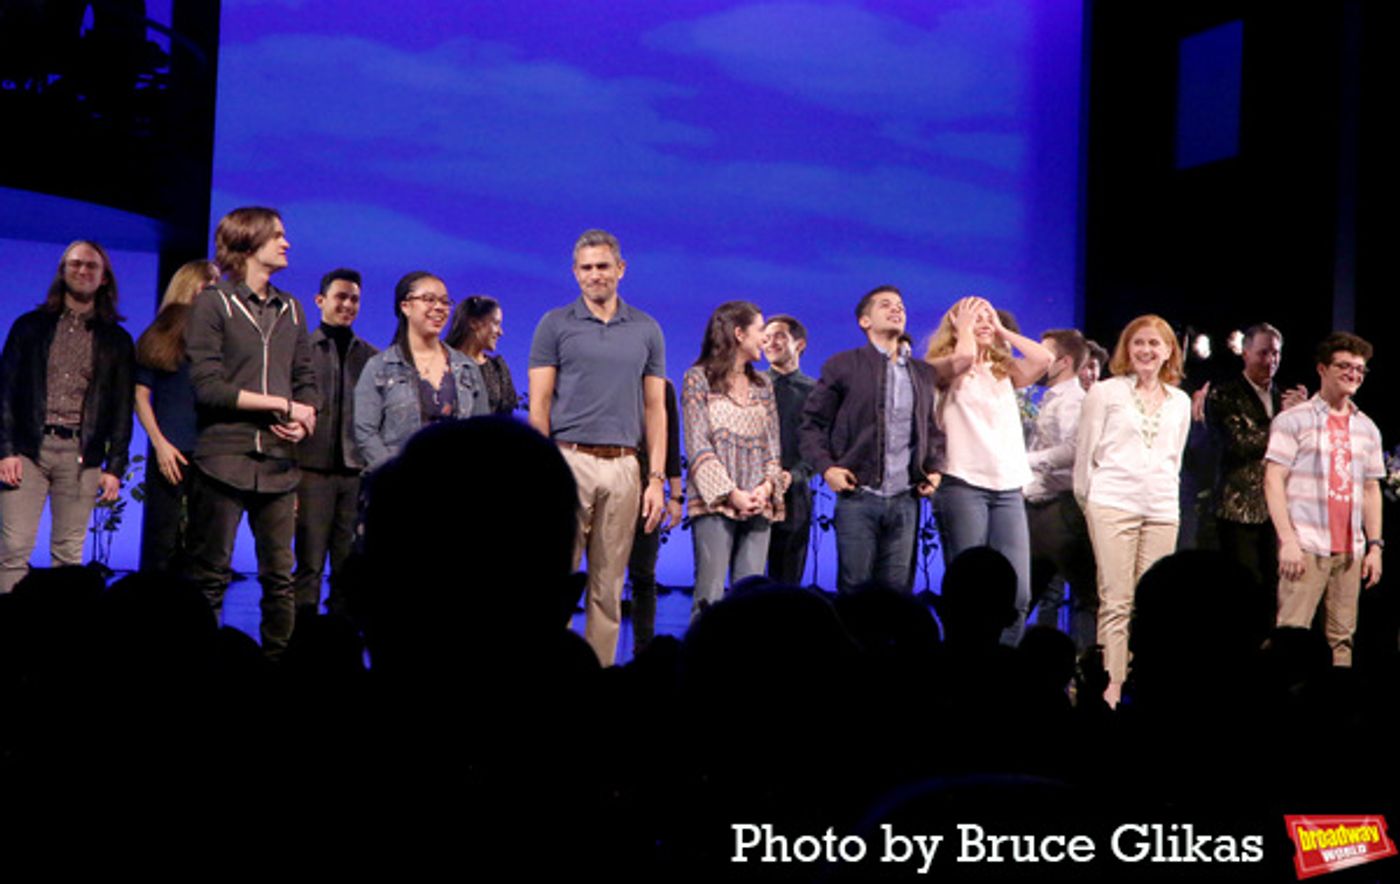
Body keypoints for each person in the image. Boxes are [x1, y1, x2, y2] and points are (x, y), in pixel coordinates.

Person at [184, 207, 319, 659]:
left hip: (278, 461)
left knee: (280, 577)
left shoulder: (291, 308)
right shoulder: (214, 303)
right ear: (248, 241)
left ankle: (278, 664)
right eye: (277, 235)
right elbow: (208, 387)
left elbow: (306, 378)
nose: (286, 243)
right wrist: (282, 405)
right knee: (211, 574)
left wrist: (305, 417)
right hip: (224, 457)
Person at [528, 229, 667, 666]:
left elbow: (655, 408)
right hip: (568, 461)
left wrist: (656, 478)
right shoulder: (555, 324)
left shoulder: (646, 329)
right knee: (556, 580)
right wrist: (543, 469)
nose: (595, 275)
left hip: (624, 465)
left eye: (603, 266)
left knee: (608, 587)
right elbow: (539, 405)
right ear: (575, 273)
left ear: (620, 269)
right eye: (586, 268)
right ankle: (550, 672)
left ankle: (599, 677)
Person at [0, 240, 135, 592]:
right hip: (28, 450)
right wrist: (6, 449)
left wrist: (115, 467)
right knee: (13, 549)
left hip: (81, 455)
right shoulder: (29, 327)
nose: (82, 270)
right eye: (75, 264)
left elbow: (122, 407)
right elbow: (6, 391)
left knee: (68, 554)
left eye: (91, 266)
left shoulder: (116, 340)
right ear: (62, 272)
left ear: (104, 278)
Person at [1073, 314, 1191, 704]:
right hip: (1112, 503)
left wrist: (1166, 500)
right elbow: (1085, 456)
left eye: (1154, 343)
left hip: (1161, 510)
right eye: (1138, 342)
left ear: (1169, 351)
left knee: (1155, 604)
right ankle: (1110, 692)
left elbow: (1174, 459)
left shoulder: (1180, 401)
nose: (1146, 350)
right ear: (1127, 348)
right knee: (1117, 601)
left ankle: (1148, 691)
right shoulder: (1105, 393)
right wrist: (1091, 504)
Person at [926, 296, 1053, 644]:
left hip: (1007, 487)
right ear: (955, 325)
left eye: (988, 316)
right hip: (962, 484)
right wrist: (966, 330)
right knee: (969, 590)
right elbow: (964, 358)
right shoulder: (942, 368)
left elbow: (1044, 359)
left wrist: (1001, 331)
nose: (983, 322)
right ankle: (966, 661)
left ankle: (1004, 662)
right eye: (974, 317)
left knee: (1019, 592)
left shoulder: (1004, 370)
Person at [800, 286, 942, 594]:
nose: (897, 309)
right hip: (858, 496)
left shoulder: (922, 373)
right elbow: (811, 425)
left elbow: (932, 428)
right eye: (886, 305)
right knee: (855, 592)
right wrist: (827, 469)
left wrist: (934, 469)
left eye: (900, 305)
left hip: (906, 499)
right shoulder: (842, 365)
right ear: (865, 321)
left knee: (897, 595)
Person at [1265, 331, 1384, 667]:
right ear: (1322, 369)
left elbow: (1371, 489)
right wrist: (1288, 540)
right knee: (1291, 634)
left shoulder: (1367, 428)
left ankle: (1338, 698)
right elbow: (1273, 480)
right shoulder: (1294, 420)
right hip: (1306, 544)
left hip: (1349, 550)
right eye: (1344, 366)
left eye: (1359, 369)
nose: (1353, 374)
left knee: (1342, 639)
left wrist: (1375, 546)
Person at [683, 301, 787, 618]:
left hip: (758, 502)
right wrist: (731, 494)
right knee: (710, 596)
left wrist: (766, 488)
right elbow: (698, 444)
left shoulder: (763, 385)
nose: (765, 338)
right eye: (760, 330)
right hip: (716, 502)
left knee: (752, 600)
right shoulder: (698, 379)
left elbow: (773, 447)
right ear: (739, 334)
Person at [293, 268, 377, 618]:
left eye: (354, 299)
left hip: (353, 472)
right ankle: (304, 632)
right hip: (310, 470)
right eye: (341, 297)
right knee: (309, 562)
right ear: (320, 300)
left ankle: (343, 635)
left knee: (347, 562)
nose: (348, 305)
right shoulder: (301, 352)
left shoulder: (370, 357)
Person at [1204, 323, 1307, 590]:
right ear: (1246, 353)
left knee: (1276, 587)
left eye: (1275, 353)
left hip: (1278, 509)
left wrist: (1304, 417)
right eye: (1263, 353)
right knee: (1243, 586)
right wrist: (1285, 419)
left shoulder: (1283, 395)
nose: (1270, 360)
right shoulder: (1223, 395)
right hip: (1239, 509)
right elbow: (1240, 443)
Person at [133, 259, 221, 573]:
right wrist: (159, 444)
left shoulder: (219, 337)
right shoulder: (160, 334)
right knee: (161, 537)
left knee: (204, 541)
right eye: (207, 285)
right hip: (169, 449)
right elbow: (140, 396)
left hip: (209, 450)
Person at [354, 272, 485, 473]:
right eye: (429, 299)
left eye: (445, 301)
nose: (439, 307)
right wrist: (396, 473)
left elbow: (482, 432)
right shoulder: (380, 367)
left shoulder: (467, 368)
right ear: (405, 306)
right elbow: (365, 432)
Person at [1024, 328, 1097, 650]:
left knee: (1086, 597)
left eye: (1045, 355)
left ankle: (1089, 664)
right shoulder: (1053, 397)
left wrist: (1026, 461)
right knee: (1025, 595)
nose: (1037, 360)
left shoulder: (1072, 401)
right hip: (1040, 509)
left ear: (1064, 362)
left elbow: (1073, 449)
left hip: (1061, 510)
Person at [624, 378, 681, 655]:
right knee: (605, 575)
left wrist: (676, 496)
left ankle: (643, 649)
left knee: (644, 575)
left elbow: (671, 442)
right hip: (615, 481)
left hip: (649, 487)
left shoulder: (662, 386)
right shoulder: (611, 380)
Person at [763, 313, 817, 586]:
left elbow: (819, 445)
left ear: (800, 344)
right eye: (766, 338)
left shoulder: (815, 392)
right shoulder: (751, 386)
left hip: (794, 494)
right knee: (748, 578)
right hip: (752, 492)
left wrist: (794, 475)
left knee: (786, 580)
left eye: (779, 336)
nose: (770, 343)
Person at [446, 295, 517, 415]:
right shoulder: (442, 361)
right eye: (496, 323)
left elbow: (506, 416)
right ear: (474, 323)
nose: (500, 332)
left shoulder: (497, 368)